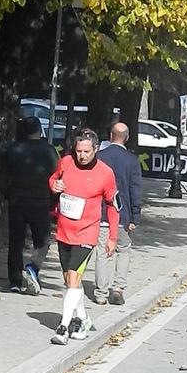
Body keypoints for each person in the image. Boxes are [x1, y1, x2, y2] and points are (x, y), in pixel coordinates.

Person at [49, 128, 120, 345]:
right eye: (79, 151)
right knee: (70, 281)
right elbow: (52, 180)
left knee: (72, 278)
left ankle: (63, 327)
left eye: (87, 151)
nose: (82, 155)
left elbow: (113, 206)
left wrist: (113, 237)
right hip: (64, 230)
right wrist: (54, 186)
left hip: (87, 233)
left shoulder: (105, 173)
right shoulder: (66, 162)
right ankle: (83, 319)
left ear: (96, 149)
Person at [0, 116, 58, 295]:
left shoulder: (13, 149)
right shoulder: (49, 151)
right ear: (40, 130)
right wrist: (53, 201)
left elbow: (2, 178)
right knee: (42, 241)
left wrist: (8, 194)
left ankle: (15, 281)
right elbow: (57, 177)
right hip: (40, 202)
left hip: (17, 201)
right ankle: (33, 268)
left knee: (16, 242)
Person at [94, 122, 142, 306]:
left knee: (102, 252)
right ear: (127, 138)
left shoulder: (99, 157)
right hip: (123, 214)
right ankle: (118, 288)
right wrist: (135, 216)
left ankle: (100, 293)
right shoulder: (132, 161)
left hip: (101, 213)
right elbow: (135, 190)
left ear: (110, 136)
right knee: (123, 250)